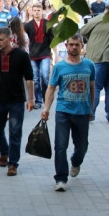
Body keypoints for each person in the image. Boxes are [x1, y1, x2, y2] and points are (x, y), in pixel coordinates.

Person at [41, 34, 95, 192]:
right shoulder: (59, 67)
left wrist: (91, 109)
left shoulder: (89, 65)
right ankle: (60, 179)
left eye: (77, 45)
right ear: (66, 46)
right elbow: (51, 88)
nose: (74, 47)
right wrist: (46, 108)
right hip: (63, 111)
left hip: (82, 112)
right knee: (60, 146)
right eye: (71, 44)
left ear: (82, 46)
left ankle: (76, 162)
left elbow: (92, 88)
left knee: (82, 146)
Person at [0, 28, 35, 176]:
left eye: (1, 40)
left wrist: (31, 98)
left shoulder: (22, 55)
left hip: (17, 100)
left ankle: (13, 163)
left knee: (15, 132)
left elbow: (29, 78)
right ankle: (4, 151)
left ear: (10, 39)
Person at [24, 3, 54, 110]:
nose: (36, 12)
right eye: (35, 10)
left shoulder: (48, 23)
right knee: (35, 79)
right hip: (33, 54)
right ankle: (38, 100)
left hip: (45, 53)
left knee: (45, 77)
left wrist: (55, 54)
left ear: (42, 11)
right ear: (32, 12)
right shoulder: (28, 25)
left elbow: (53, 39)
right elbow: (22, 36)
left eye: (38, 10)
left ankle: (46, 98)